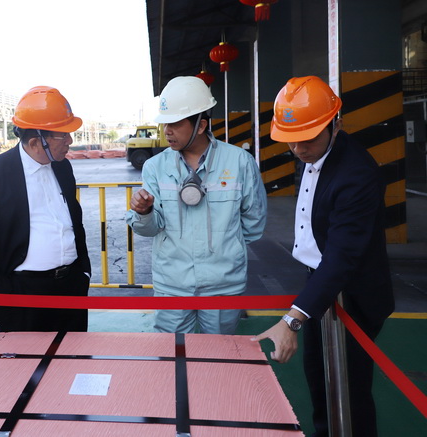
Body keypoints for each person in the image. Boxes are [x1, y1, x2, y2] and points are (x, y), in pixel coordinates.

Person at [252, 76, 394, 437]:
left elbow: (342, 258)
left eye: (308, 138)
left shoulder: (357, 175)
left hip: (352, 293)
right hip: (319, 281)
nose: (298, 149)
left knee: (350, 392)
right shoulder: (313, 152)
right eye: (291, 139)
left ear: (336, 124)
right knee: (320, 379)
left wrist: (292, 320)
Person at [126, 76, 266, 334]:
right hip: (172, 284)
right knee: (174, 352)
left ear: (201, 125)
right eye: (165, 123)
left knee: (218, 353)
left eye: (175, 123)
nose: (167, 130)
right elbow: (149, 229)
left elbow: (254, 221)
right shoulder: (155, 167)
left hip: (223, 285)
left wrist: (227, 248)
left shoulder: (239, 162)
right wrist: (144, 213)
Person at [0, 86, 91, 332]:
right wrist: (2, 293)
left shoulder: (62, 167)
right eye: (63, 135)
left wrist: (83, 273)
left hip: (70, 289)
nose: (70, 142)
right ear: (35, 142)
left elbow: (74, 221)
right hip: (21, 294)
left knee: (70, 354)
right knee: (25, 357)